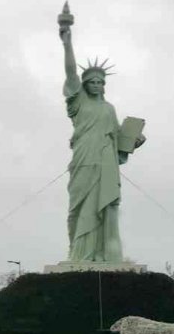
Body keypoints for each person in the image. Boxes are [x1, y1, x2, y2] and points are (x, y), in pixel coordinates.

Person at [60, 26, 143, 263]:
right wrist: (67, 44)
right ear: (84, 85)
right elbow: (70, 74)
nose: (96, 84)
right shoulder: (77, 104)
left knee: (105, 206)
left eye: (100, 81)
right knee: (78, 208)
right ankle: (78, 253)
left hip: (106, 162)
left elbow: (118, 142)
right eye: (92, 81)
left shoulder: (109, 108)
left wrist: (134, 141)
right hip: (84, 161)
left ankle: (102, 253)